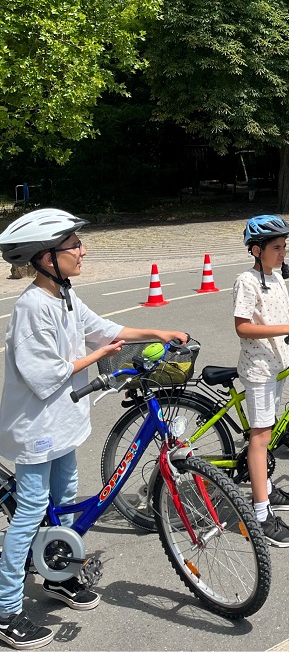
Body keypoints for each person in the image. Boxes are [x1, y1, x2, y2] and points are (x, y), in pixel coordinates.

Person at [0, 209, 187, 651]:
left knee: (63, 504)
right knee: (29, 514)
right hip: (36, 428)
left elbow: (103, 329)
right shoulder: (31, 307)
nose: (82, 251)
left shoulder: (64, 296)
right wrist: (105, 355)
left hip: (63, 420)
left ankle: (57, 576)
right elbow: (45, 376)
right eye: (73, 246)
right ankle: (7, 610)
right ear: (46, 257)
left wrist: (155, 330)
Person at [235, 215, 289, 548]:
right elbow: (243, 327)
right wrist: (286, 329)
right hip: (258, 369)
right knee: (260, 438)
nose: (282, 252)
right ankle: (260, 514)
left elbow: (287, 314)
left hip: (277, 366)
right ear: (256, 250)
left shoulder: (276, 279)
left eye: (284, 246)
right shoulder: (247, 281)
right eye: (276, 247)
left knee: (268, 432)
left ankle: (266, 487)